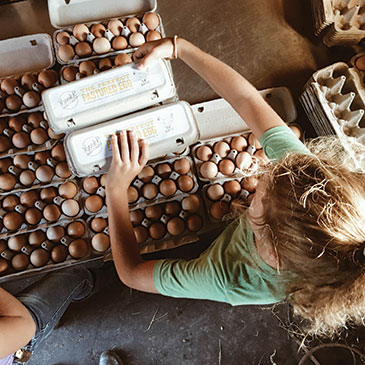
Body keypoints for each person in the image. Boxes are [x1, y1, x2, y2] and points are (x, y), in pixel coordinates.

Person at [105, 37, 365, 338]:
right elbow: (247, 100)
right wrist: (182, 48)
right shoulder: (303, 179)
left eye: (258, 195)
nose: (262, 174)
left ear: (273, 249)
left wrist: (116, 190)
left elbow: (130, 274)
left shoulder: (225, 278)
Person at [0, 266, 94, 364]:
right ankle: (102, 279)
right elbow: (25, 325)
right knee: (77, 275)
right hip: (19, 331)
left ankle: (55, 317)